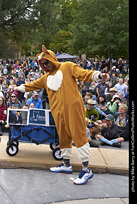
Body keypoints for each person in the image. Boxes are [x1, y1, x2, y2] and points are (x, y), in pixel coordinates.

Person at [10, 45, 109, 185]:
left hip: (73, 108)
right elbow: (32, 85)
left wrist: (98, 75)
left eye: (46, 62)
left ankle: (86, 170)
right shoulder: (46, 78)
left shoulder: (67, 66)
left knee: (79, 135)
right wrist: (16, 87)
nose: (45, 66)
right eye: (41, 64)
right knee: (63, 136)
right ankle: (66, 164)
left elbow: (84, 74)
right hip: (58, 111)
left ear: (52, 59)